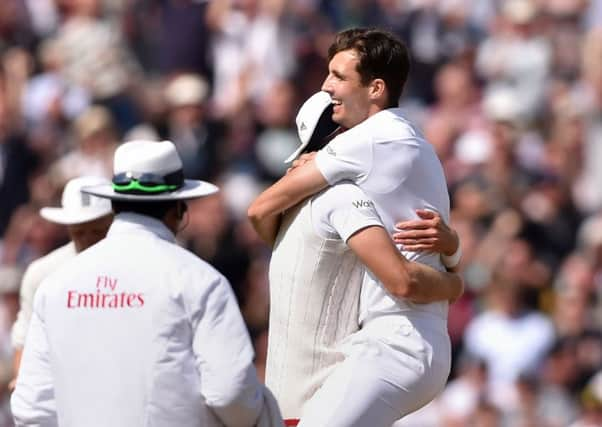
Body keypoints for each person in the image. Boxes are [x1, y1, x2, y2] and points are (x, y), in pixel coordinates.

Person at [248, 28, 460, 426]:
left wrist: (455, 283)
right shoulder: (411, 138)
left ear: (376, 89)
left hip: (397, 342)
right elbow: (438, 247)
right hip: (404, 339)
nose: (327, 86)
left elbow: (261, 208)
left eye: (339, 76)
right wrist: (455, 256)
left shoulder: (369, 140)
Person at [11, 140, 283, 427]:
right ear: (178, 209)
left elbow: (32, 407)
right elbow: (231, 394)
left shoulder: (56, 285)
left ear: (115, 205)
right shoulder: (199, 280)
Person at [10, 175, 114, 388]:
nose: (88, 239)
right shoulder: (42, 273)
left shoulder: (133, 266)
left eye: (98, 231)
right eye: (80, 232)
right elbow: (25, 342)